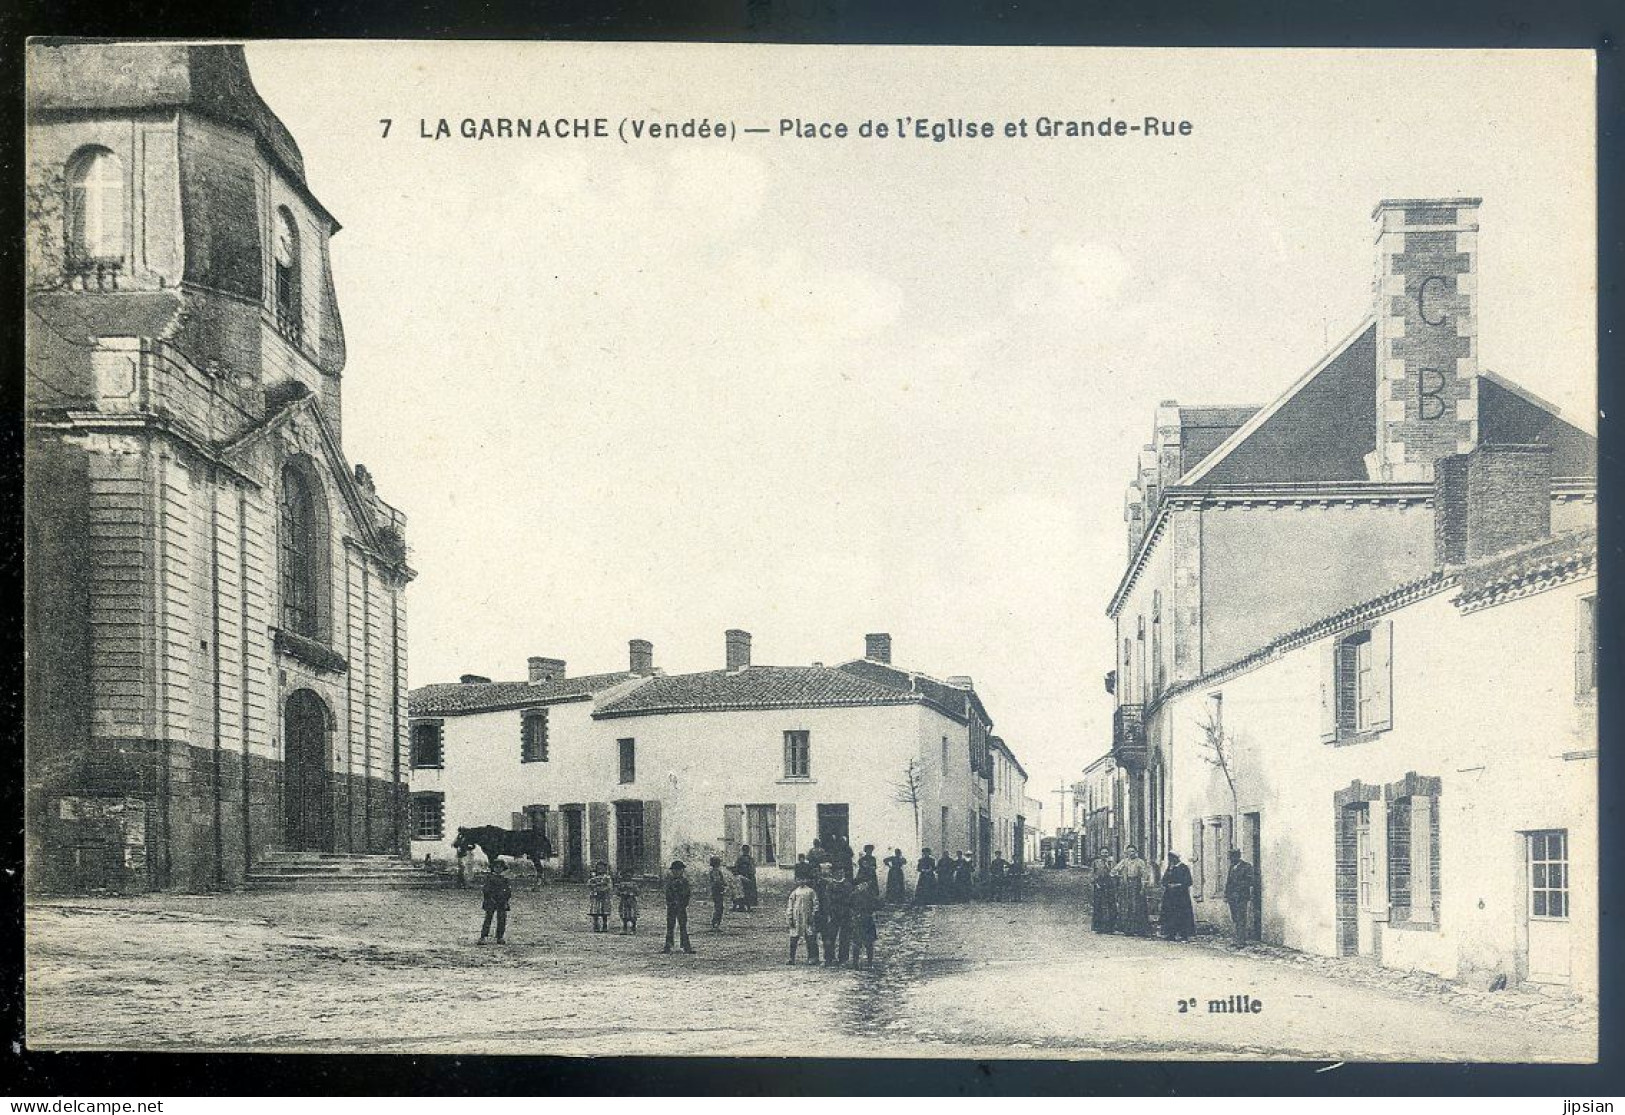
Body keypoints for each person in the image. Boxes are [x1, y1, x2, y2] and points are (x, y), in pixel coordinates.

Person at [1113, 845, 1153, 936]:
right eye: (1128, 852)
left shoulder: (1140, 862)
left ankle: (1139, 929)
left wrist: (1143, 887)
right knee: (1127, 906)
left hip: (1137, 885)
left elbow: (1145, 875)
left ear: (1136, 852)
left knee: (1137, 906)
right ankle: (1128, 929)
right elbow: (1114, 870)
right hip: (1127, 885)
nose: (1130, 853)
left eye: (1132, 851)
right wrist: (1119, 877)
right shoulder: (1125, 861)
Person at [661, 860, 695, 954]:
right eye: (674, 870)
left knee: (683, 926)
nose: (676, 872)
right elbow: (668, 894)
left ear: (682, 871)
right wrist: (671, 902)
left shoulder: (684, 882)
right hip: (672, 907)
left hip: (681, 907)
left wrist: (683, 904)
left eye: (678, 870)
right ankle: (668, 946)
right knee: (670, 926)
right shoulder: (670, 882)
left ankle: (686, 946)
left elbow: (687, 894)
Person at [1161, 852, 1196, 941]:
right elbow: (1164, 880)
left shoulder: (1184, 868)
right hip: (1170, 896)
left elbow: (1188, 881)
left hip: (1181, 896)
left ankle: (1183, 934)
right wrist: (1168, 884)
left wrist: (1177, 885)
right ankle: (1171, 933)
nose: (1171, 861)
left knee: (1182, 914)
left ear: (1176, 858)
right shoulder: (1170, 868)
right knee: (1170, 914)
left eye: (1172, 859)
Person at [1225, 849, 1256, 946]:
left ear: (1237, 857)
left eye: (1232, 858)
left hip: (1241, 896)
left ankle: (1241, 941)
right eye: (1230, 858)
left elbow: (1249, 881)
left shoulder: (1247, 867)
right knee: (1235, 918)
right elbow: (1228, 882)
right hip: (1232, 897)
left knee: (1241, 918)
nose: (1231, 860)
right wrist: (1226, 894)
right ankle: (1237, 939)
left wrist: (1237, 889)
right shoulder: (1232, 867)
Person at [786, 876, 819, 964]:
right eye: (799, 879)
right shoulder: (795, 892)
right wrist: (790, 918)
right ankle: (791, 958)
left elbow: (816, 904)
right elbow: (790, 905)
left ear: (807, 879)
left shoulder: (811, 891)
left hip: (807, 917)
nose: (802, 881)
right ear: (796, 880)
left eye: (803, 879)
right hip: (797, 917)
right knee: (794, 937)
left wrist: (812, 915)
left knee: (810, 937)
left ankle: (812, 957)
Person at [823, 872, 854, 965]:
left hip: (845, 913)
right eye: (837, 872)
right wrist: (828, 912)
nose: (839, 874)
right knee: (830, 936)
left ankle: (843, 959)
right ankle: (829, 958)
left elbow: (850, 899)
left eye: (841, 872)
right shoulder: (830, 885)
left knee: (844, 937)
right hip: (833, 913)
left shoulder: (847, 884)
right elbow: (827, 899)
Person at [478, 860, 512, 945]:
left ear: (503, 869)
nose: (498, 869)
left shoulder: (505, 879)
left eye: (500, 867)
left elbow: (508, 891)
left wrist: (506, 899)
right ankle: (483, 937)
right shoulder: (489, 878)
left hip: (501, 901)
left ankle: (500, 937)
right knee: (488, 919)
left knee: (501, 919)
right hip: (491, 901)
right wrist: (490, 897)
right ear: (493, 868)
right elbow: (485, 890)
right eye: (496, 867)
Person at [849, 878, 880, 967]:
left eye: (864, 884)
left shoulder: (870, 895)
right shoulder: (853, 895)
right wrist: (854, 915)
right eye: (860, 884)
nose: (862, 886)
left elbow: (877, 905)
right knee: (856, 943)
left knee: (869, 943)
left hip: (868, 921)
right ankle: (855, 963)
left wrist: (873, 912)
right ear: (857, 886)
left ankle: (870, 963)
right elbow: (849, 906)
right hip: (857, 920)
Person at [1090, 852, 1118, 933]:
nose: (1104, 854)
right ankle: (1098, 927)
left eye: (1106, 853)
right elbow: (1092, 874)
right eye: (1103, 853)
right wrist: (1096, 883)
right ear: (1100, 854)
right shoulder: (1096, 863)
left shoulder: (1111, 862)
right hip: (1099, 885)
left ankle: (1110, 927)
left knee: (1111, 906)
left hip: (1109, 886)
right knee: (1098, 906)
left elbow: (1115, 872)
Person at [587, 860, 614, 933]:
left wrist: (604, 890)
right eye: (599, 868)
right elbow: (589, 884)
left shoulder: (607, 877)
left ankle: (605, 925)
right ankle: (596, 924)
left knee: (604, 911)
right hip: (596, 896)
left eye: (602, 868)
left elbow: (609, 886)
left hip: (604, 896)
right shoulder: (593, 877)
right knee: (595, 911)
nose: (600, 870)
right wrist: (594, 887)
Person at [733, 845, 759, 909]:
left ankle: (742, 906)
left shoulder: (740, 859)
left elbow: (735, 868)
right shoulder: (750, 859)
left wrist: (737, 874)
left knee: (742, 892)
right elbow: (753, 870)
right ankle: (747, 906)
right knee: (747, 892)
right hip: (748, 877)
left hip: (743, 877)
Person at [707, 856, 728, 929]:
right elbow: (717, 881)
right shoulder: (716, 871)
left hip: (715, 890)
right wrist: (723, 885)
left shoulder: (714, 871)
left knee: (718, 907)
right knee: (719, 907)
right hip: (717, 890)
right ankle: (715, 923)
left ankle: (715, 923)